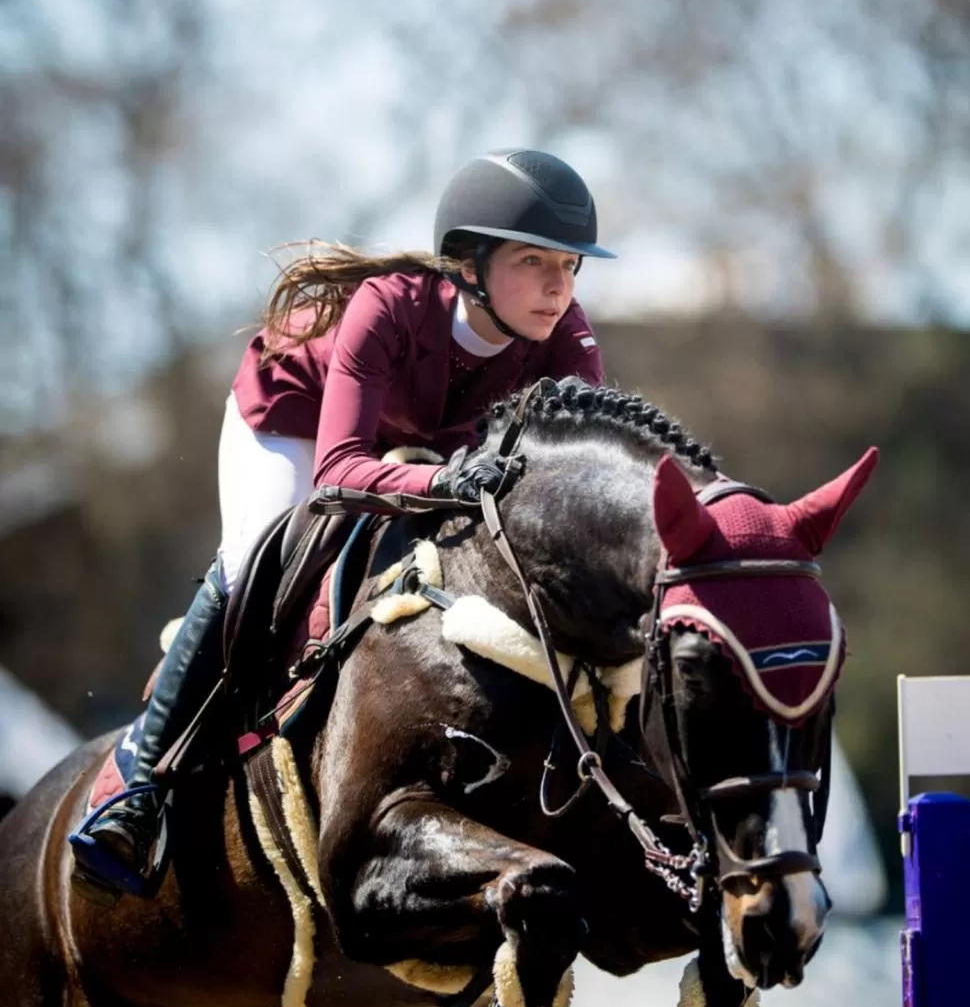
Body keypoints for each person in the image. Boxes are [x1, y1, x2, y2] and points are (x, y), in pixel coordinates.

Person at [70, 147, 615, 901]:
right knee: (254, 560)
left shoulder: (568, 339)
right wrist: (443, 479)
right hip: (295, 414)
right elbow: (341, 472)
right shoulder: (387, 306)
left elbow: (573, 480)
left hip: (426, 449)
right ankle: (136, 781)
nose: (560, 287)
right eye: (535, 262)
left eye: (571, 266)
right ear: (466, 264)